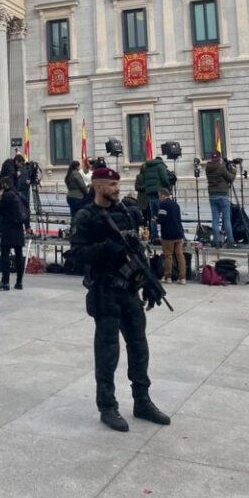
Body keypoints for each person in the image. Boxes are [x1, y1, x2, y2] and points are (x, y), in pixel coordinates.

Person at [71, 166, 170, 432]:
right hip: (105, 291)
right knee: (108, 352)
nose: (117, 189)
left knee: (139, 346)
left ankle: (142, 400)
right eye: (112, 185)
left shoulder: (125, 212)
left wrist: (150, 280)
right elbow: (77, 255)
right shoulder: (86, 216)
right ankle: (107, 406)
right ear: (98, 186)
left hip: (129, 290)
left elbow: (137, 249)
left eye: (118, 185)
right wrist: (106, 249)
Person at [0, 178, 26, 291]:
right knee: (19, 255)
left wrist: (0, 198)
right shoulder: (18, 195)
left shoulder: (6, 196)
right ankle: (19, 282)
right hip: (19, 229)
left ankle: (5, 282)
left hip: (8, 228)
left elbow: (0, 210)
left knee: (5, 254)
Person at [204, 152, 236, 248]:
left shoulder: (207, 167)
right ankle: (230, 241)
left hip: (212, 195)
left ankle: (217, 241)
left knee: (215, 220)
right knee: (226, 219)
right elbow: (230, 178)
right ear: (219, 158)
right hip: (222, 194)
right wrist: (234, 170)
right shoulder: (221, 167)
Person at [135, 156, 171, 239]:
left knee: (153, 215)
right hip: (159, 194)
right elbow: (164, 179)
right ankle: (165, 234)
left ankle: (154, 235)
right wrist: (168, 188)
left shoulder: (147, 167)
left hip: (150, 194)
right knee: (162, 214)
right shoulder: (160, 166)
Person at [156, 188, 186, 284]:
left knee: (168, 256)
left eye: (159, 195)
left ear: (163, 195)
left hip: (168, 234)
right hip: (178, 232)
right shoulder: (176, 204)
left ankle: (168, 276)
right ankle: (182, 277)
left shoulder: (163, 205)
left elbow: (161, 220)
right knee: (180, 255)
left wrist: (155, 219)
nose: (159, 198)